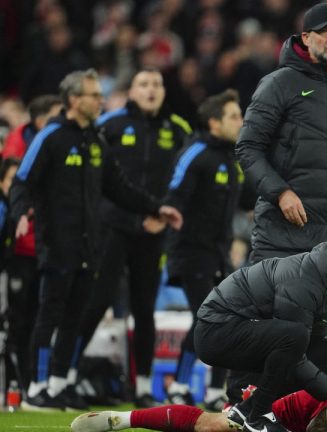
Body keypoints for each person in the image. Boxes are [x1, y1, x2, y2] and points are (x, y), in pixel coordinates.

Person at [9, 69, 182, 411]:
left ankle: (58, 384)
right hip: (57, 240)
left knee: (74, 315)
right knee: (50, 313)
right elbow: (23, 181)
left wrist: (157, 208)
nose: (100, 100)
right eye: (93, 95)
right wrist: (20, 214)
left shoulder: (95, 140)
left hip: (90, 244)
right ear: (74, 100)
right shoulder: (53, 136)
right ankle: (36, 388)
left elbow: (119, 188)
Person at [234, 1, 327, 399]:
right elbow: (248, 148)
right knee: (268, 320)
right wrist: (280, 192)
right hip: (286, 230)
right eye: (326, 31)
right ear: (306, 37)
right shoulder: (278, 84)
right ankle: (244, 404)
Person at [74, 68, 191, 408]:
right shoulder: (109, 125)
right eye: (144, 84)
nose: (151, 90)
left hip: (154, 232)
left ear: (164, 91)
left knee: (144, 309)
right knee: (97, 302)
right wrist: (129, 219)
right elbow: (98, 181)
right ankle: (67, 374)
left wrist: (159, 217)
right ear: (132, 90)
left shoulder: (178, 129)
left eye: (156, 84)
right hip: (113, 229)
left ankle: (142, 387)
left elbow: (183, 181)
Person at [193, 240, 327, 432]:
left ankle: (246, 411)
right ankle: (258, 418)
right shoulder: (304, 282)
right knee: (296, 337)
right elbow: (294, 351)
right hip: (216, 331)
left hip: (248, 332)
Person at [162, 89, 243, 410]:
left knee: (224, 315)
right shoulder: (195, 152)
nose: (241, 121)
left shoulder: (231, 156)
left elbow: (246, 197)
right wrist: (169, 209)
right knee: (210, 316)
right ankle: (180, 385)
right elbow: (176, 189)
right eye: (234, 116)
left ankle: (212, 390)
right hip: (191, 250)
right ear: (214, 122)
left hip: (218, 253)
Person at [70, 375, 327, 432]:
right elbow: (313, 427)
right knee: (214, 426)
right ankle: (123, 418)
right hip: (294, 409)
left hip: (321, 385)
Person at [1, 95, 62, 390]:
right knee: (21, 320)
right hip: (22, 252)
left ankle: (29, 383)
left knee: (37, 317)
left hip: (42, 247)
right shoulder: (21, 149)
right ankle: (18, 383)